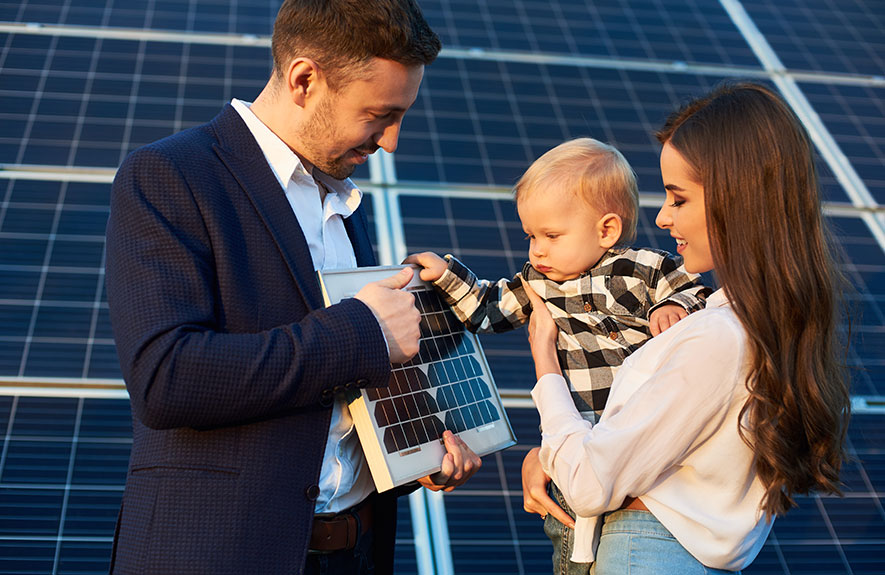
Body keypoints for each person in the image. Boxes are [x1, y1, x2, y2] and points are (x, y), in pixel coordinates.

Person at [104, 1, 481, 574]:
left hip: (352, 551)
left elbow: (330, 395)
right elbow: (166, 377)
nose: (391, 141)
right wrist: (364, 329)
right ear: (305, 80)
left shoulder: (341, 201)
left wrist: (413, 446)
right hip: (222, 556)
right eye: (380, 114)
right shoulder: (170, 175)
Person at [521, 82, 851, 574]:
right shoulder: (768, 326)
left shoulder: (719, 336)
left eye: (679, 199)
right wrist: (554, 457)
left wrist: (545, 363)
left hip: (642, 555)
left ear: (736, 201)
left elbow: (590, 485)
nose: (661, 217)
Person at [406, 137, 710, 574]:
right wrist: (448, 276)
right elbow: (487, 311)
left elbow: (694, 290)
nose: (537, 250)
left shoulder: (644, 268)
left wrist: (673, 306)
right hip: (579, 448)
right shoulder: (538, 285)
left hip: (642, 447)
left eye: (551, 235)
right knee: (570, 544)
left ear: (606, 230)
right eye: (530, 235)